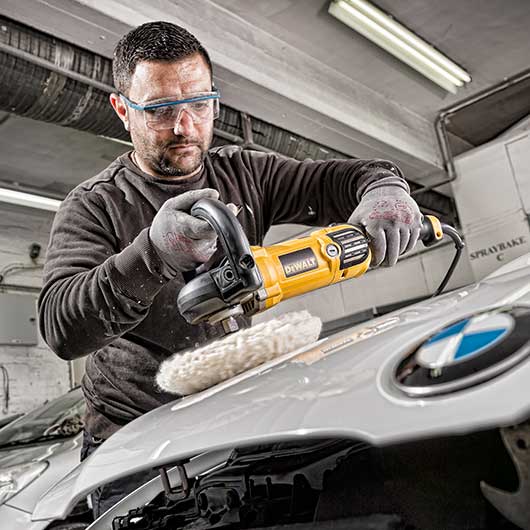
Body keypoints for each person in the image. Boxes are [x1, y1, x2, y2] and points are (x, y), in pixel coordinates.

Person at [38, 21, 423, 517]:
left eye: (198, 104)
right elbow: (61, 327)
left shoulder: (246, 172)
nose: (184, 127)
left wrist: (385, 188)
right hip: (134, 438)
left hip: (232, 413)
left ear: (215, 101)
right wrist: (153, 255)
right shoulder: (94, 206)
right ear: (123, 111)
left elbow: (342, 176)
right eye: (158, 110)